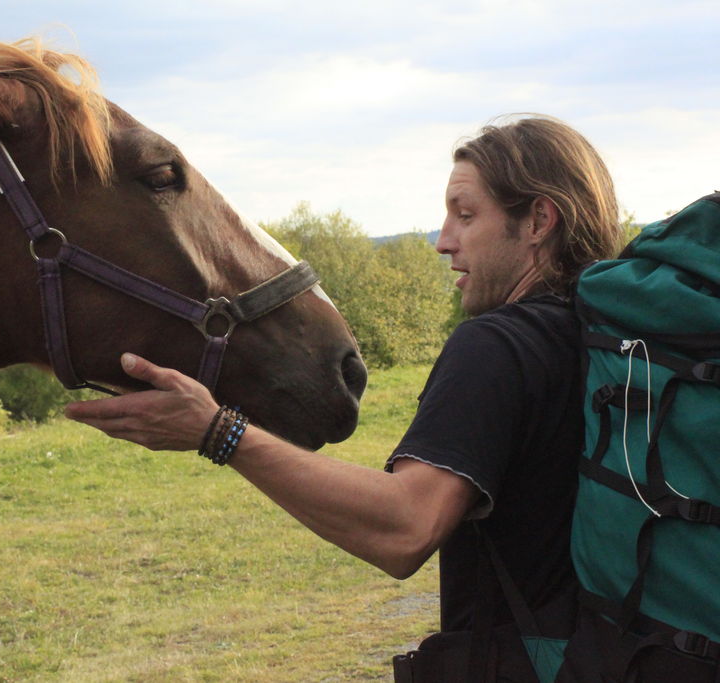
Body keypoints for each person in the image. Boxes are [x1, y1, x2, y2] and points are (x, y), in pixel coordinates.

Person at [65, 115, 621, 681]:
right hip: (614, 655)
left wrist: (217, 432)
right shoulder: (611, 341)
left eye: (466, 214)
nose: (442, 240)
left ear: (538, 221)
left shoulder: (499, 346)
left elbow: (406, 526)